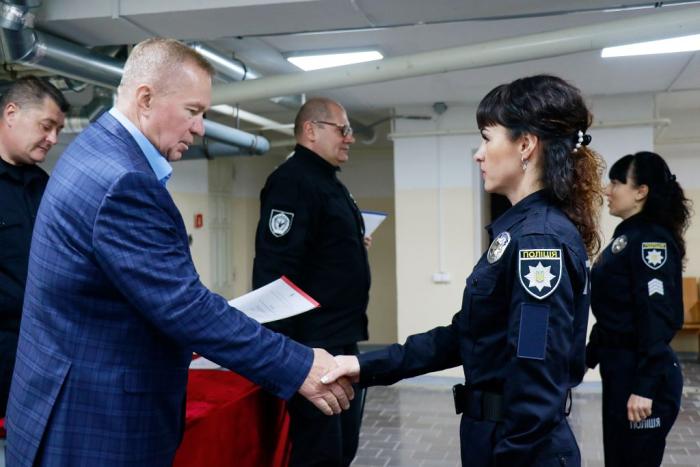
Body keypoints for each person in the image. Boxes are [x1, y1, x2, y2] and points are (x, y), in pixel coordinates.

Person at [5, 38, 353, 466]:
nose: (201, 128)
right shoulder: (123, 181)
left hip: (68, 400)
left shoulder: (96, 150)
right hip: (94, 419)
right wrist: (299, 365)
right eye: (193, 111)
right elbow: (183, 306)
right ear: (145, 99)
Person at [323, 74, 606, 467]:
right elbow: (469, 336)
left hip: (519, 449)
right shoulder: (523, 231)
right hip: (494, 434)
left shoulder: (538, 241)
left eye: (487, 139)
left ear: (525, 145)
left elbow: (535, 379)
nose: (478, 154)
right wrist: (363, 365)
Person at [252, 97, 370, 466]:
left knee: (342, 446)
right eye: (343, 129)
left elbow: (319, 246)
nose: (350, 138)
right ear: (311, 130)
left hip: (340, 337)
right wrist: (284, 355)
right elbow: (276, 269)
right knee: (320, 452)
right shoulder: (292, 181)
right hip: (313, 344)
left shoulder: (328, 181)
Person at [585, 151, 689, 467]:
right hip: (621, 371)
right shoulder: (628, 236)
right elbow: (616, 313)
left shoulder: (650, 241)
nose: (607, 190)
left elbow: (658, 317)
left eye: (616, 182)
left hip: (642, 378)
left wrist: (645, 387)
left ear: (641, 191)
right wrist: (585, 359)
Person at [0, 76, 68, 418]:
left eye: (58, 129)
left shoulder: (45, 186)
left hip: (42, 357)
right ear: (11, 113)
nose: (53, 139)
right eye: (46, 126)